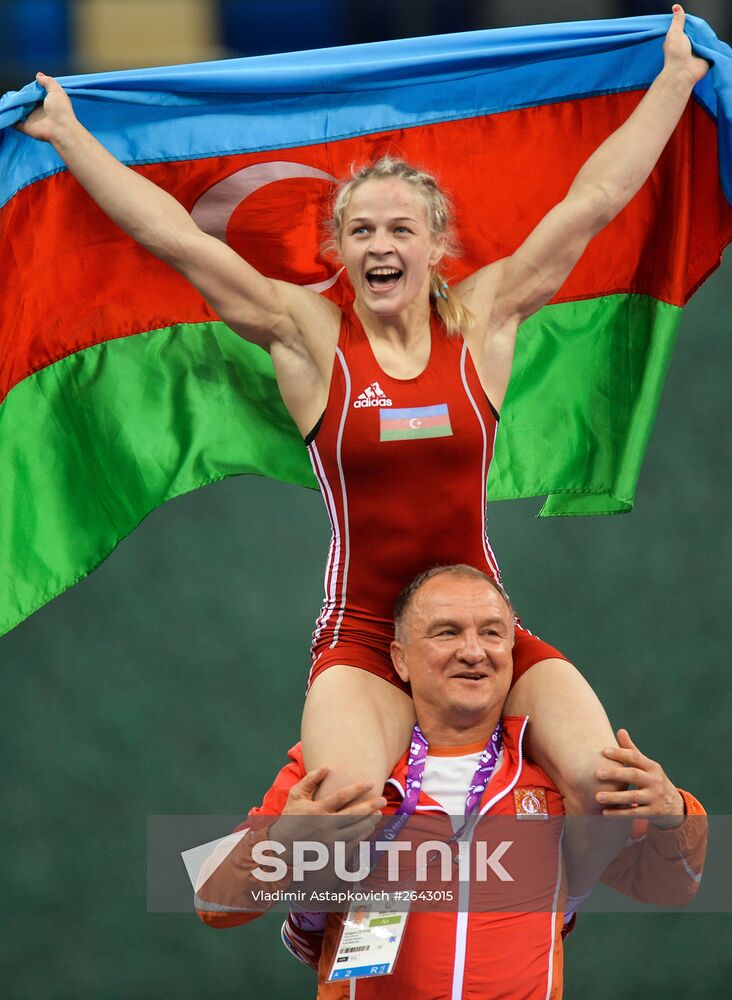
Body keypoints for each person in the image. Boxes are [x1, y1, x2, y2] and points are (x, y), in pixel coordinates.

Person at [15, 6, 709, 887]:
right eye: (363, 232)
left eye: (401, 229)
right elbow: (173, 237)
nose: (382, 244)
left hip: (481, 634)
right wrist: (69, 135)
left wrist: (674, 83)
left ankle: (513, 933)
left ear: (435, 248)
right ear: (339, 250)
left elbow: (595, 201)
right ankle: (319, 925)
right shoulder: (306, 337)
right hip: (362, 633)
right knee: (335, 819)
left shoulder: (486, 324)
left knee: (606, 794)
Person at [194, 565, 707, 998]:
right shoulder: (342, 768)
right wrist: (281, 845)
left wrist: (675, 814)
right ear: (400, 659)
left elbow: (672, 885)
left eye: (491, 632)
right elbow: (210, 901)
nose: (473, 651)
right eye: (446, 632)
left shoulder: (557, 778)